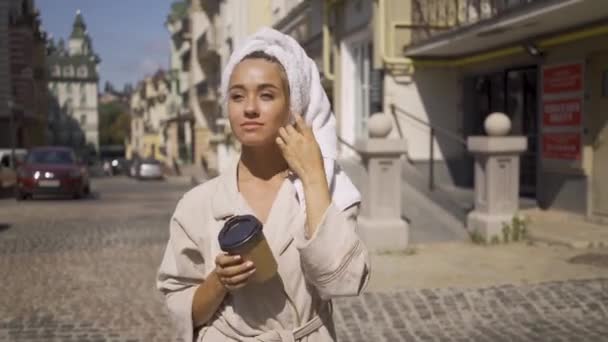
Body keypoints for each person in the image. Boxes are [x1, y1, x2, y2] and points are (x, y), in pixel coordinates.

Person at [157, 28, 370, 342]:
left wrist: (313, 178)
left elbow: (341, 284)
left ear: (292, 107)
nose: (250, 108)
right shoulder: (198, 203)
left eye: (267, 94)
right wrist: (218, 282)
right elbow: (180, 310)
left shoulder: (329, 190)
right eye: (237, 95)